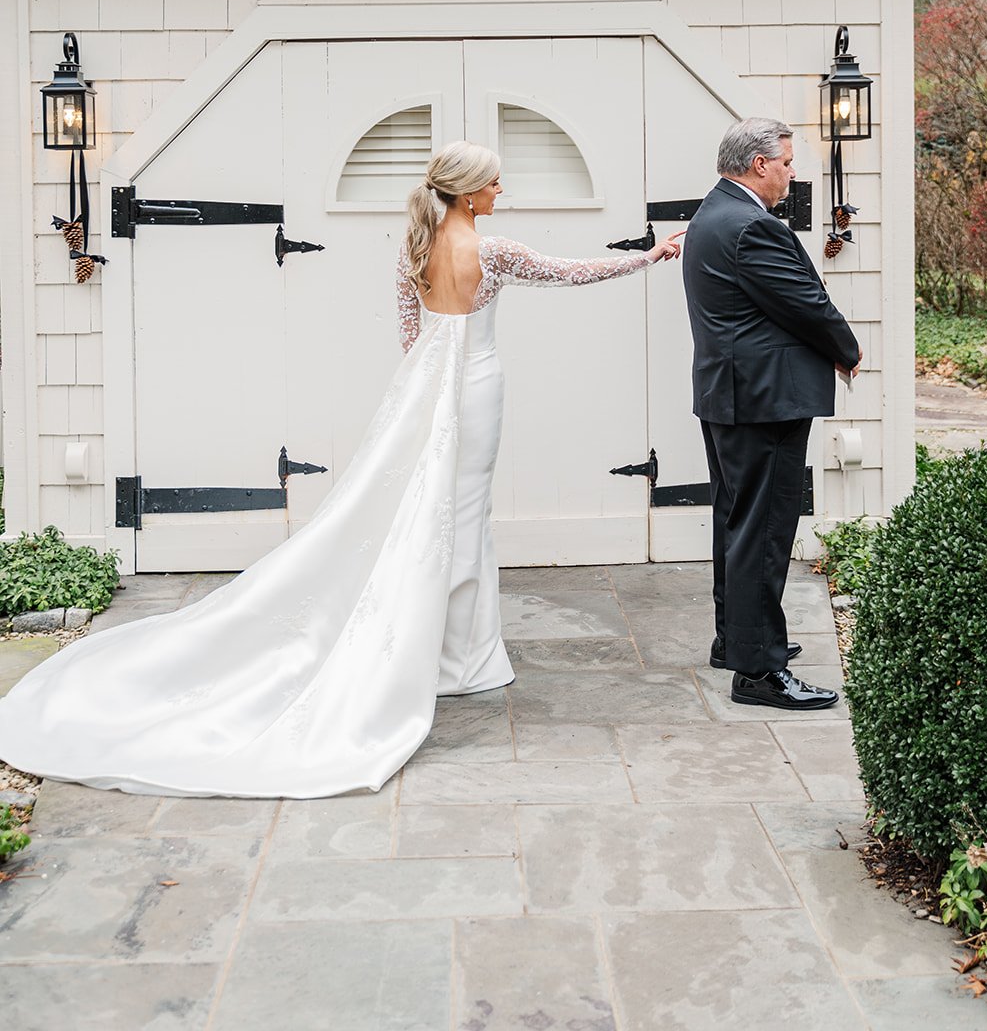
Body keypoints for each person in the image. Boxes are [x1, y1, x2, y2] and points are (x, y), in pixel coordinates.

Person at [0, 141, 681, 799]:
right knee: (465, 520)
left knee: (427, 516)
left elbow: (410, 338)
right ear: (469, 190)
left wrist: (422, 398)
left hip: (425, 390)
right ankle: (461, 659)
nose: (502, 190)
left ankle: (461, 653)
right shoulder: (494, 250)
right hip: (474, 390)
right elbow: (573, 273)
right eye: (495, 181)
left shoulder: (415, 247)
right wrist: (651, 256)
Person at [681, 117, 861, 712]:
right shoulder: (751, 226)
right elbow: (805, 302)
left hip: (733, 393)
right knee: (762, 530)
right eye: (786, 162)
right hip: (764, 399)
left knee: (737, 519)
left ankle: (736, 638)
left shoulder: (712, 213)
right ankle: (758, 672)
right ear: (759, 164)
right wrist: (847, 349)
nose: (790, 172)